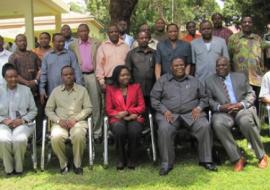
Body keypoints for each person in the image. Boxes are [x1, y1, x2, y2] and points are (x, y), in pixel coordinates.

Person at [151, 57, 217, 176]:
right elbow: (154, 99)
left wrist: (199, 108)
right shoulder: (162, 80)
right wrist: (164, 110)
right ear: (171, 67)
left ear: (185, 66)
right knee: (164, 129)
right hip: (169, 114)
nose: (179, 67)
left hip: (191, 114)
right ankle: (167, 163)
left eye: (181, 65)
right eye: (176, 65)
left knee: (204, 126)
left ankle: (206, 160)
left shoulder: (194, 80)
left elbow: (204, 97)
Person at [205, 57, 268, 172]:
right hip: (223, 112)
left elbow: (251, 93)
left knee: (245, 121)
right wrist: (219, 107)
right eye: (218, 66)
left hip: (241, 109)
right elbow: (209, 100)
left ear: (229, 66)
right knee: (218, 123)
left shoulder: (240, 77)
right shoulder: (209, 81)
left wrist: (241, 104)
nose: (221, 68)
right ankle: (238, 158)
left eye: (224, 65)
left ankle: (262, 155)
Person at [45, 66, 92, 175]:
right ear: (62, 77)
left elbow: (88, 108)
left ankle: (77, 163)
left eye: (70, 74)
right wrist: (58, 120)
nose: (68, 76)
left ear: (74, 75)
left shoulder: (82, 90)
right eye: (65, 75)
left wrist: (75, 119)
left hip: (77, 122)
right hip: (60, 123)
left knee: (79, 135)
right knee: (56, 137)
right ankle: (63, 163)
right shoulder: (56, 91)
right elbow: (48, 109)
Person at [0, 63, 37, 175]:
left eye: (15, 76)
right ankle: (9, 169)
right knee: (3, 139)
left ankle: (19, 168)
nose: (13, 79)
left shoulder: (26, 90)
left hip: (23, 123)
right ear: (4, 78)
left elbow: (33, 110)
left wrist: (22, 120)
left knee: (19, 139)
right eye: (10, 77)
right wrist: (3, 120)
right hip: (4, 123)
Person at [106, 65, 145, 170]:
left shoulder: (136, 87)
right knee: (119, 130)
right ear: (116, 77)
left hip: (134, 117)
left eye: (127, 74)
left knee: (134, 131)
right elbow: (109, 109)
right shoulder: (110, 89)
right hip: (117, 118)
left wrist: (128, 112)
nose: (126, 77)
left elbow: (142, 106)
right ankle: (121, 158)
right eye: (122, 75)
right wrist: (120, 115)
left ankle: (132, 158)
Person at [69, 23, 103, 142]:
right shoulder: (72, 46)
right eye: (80, 31)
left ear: (88, 31)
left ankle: (97, 132)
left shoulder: (97, 43)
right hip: (79, 77)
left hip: (93, 76)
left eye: (85, 31)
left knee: (95, 104)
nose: (83, 33)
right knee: (80, 105)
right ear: (78, 33)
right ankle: (84, 131)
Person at [228, 16, 268, 108]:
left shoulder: (258, 38)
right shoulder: (233, 39)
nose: (247, 24)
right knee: (242, 102)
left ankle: (256, 119)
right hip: (240, 77)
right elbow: (229, 57)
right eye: (244, 22)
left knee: (256, 102)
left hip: (256, 77)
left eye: (249, 22)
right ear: (241, 24)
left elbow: (265, 53)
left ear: (252, 24)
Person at [8, 34, 42, 141]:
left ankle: (38, 138)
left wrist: (35, 81)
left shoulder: (33, 55)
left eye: (24, 40)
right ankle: (24, 139)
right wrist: (26, 83)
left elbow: (41, 69)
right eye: (20, 41)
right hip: (20, 93)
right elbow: (13, 73)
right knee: (23, 116)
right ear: (16, 42)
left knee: (38, 113)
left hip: (35, 91)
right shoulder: (13, 57)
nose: (22, 42)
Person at [39, 33, 83, 105]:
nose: (62, 43)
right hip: (52, 91)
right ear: (53, 42)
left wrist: (80, 88)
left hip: (69, 91)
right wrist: (42, 89)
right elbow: (43, 73)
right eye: (59, 42)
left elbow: (76, 71)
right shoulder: (47, 56)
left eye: (63, 41)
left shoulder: (70, 54)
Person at [126, 31, 156, 108]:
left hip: (153, 89)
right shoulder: (131, 54)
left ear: (149, 39)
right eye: (141, 38)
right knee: (140, 112)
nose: (144, 40)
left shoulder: (155, 53)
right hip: (137, 89)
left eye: (146, 38)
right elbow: (128, 71)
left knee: (153, 111)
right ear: (137, 40)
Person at [96, 24, 129, 90]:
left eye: (116, 31)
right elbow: (99, 66)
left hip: (124, 79)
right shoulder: (103, 47)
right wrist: (102, 82)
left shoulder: (125, 46)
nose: (114, 33)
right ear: (108, 34)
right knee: (109, 100)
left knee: (124, 100)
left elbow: (129, 62)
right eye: (111, 32)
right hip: (109, 80)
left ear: (118, 33)